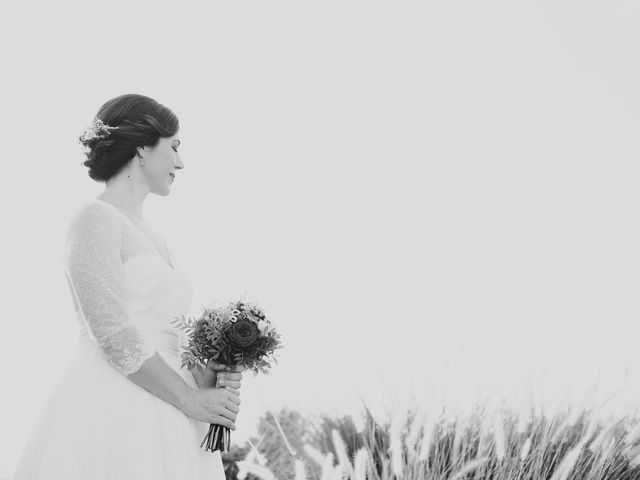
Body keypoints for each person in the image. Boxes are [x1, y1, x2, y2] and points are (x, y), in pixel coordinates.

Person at [13, 94, 243, 479]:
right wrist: (189, 399)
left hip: (173, 412)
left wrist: (203, 376)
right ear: (142, 148)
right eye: (174, 147)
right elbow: (112, 330)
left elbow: (166, 328)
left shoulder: (158, 238)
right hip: (117, 402)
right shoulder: (95, 218)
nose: (181, 162)